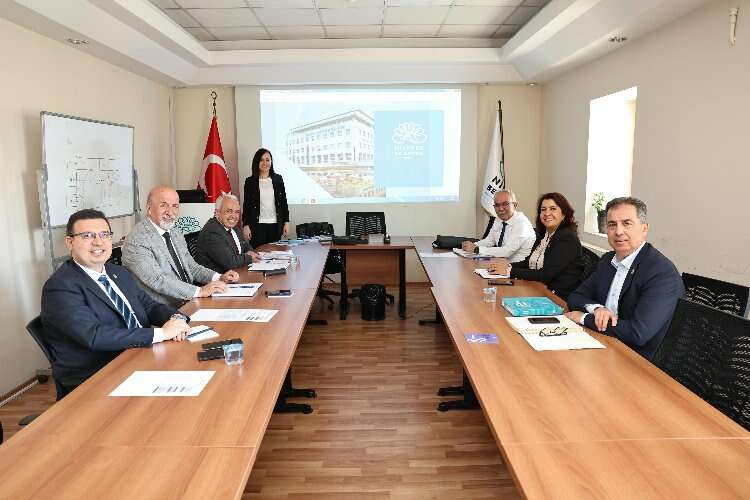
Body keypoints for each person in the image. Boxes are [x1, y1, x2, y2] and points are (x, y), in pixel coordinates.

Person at [41, 209, 191, 393]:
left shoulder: (117, 272)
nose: (98, 242)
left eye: (104, 234)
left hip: (138, 356)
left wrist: (177, 319)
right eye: (87, 235)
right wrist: (161, 333)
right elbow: (94, 336)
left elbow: (149, 306)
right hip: (98, 377)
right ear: (69, 242)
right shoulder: (60, 287)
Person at [566, 197, 684, 360]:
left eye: (627, 223)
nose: (618, 231)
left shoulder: (661, 273)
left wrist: (584, 317)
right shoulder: (608, 260)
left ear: (644, 228)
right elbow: (575, 297)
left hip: (638, 359)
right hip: (605, 343)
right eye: (612, 225)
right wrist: (597, 309)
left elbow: (637, 333)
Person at [122, 186, 239, 308]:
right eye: (163, 205)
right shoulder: (137, 240)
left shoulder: (174, 231)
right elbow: (158, 280)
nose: (170, 212)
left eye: (175, 206)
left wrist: (219, 277)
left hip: (188, 300)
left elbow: (191, 267)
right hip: (162, 309)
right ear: (149, 208)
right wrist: (199, 291)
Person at [489, 192, 583, 299]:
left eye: (553, 209)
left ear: (564, 214)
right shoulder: (544, 235)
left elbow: (546, 274)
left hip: (556, 297)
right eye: (543, 209)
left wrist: (509, 271)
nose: (547, 213)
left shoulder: (567, 238)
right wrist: (507, 266)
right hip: (537, 288)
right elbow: (528, 262)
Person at [462, 189, 535, 262]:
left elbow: (507, 251)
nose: (500, 209)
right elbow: (489, 241)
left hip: (518, 266)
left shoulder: (522, 222)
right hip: (500, 262)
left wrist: (476, 249)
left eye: (505, 204)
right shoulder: (498, 219)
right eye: (497, 205)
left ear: (515, 205)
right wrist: (472, 245)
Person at [194, 193, 259, 273]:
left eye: (237, 212)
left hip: (235, 272)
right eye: (229, 211)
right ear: (217, 212)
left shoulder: (233, 226)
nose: (234, 216)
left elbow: (245, 246)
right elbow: (231, 262)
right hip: (218, 278)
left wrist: (252, 253)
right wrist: (249, 257)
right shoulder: (212, 232)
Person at [242, 148, 290, 248]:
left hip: (275, 225)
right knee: (259, 254)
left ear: (271, 162)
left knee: (274, 254)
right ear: (257, 162)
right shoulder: (250, 182)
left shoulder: (278, 179)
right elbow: (246, 205)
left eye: (267, 160)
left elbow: (283, 203)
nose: (265, 163)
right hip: (257, 226)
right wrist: (245, 225)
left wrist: (286, 222)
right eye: (261, 160)